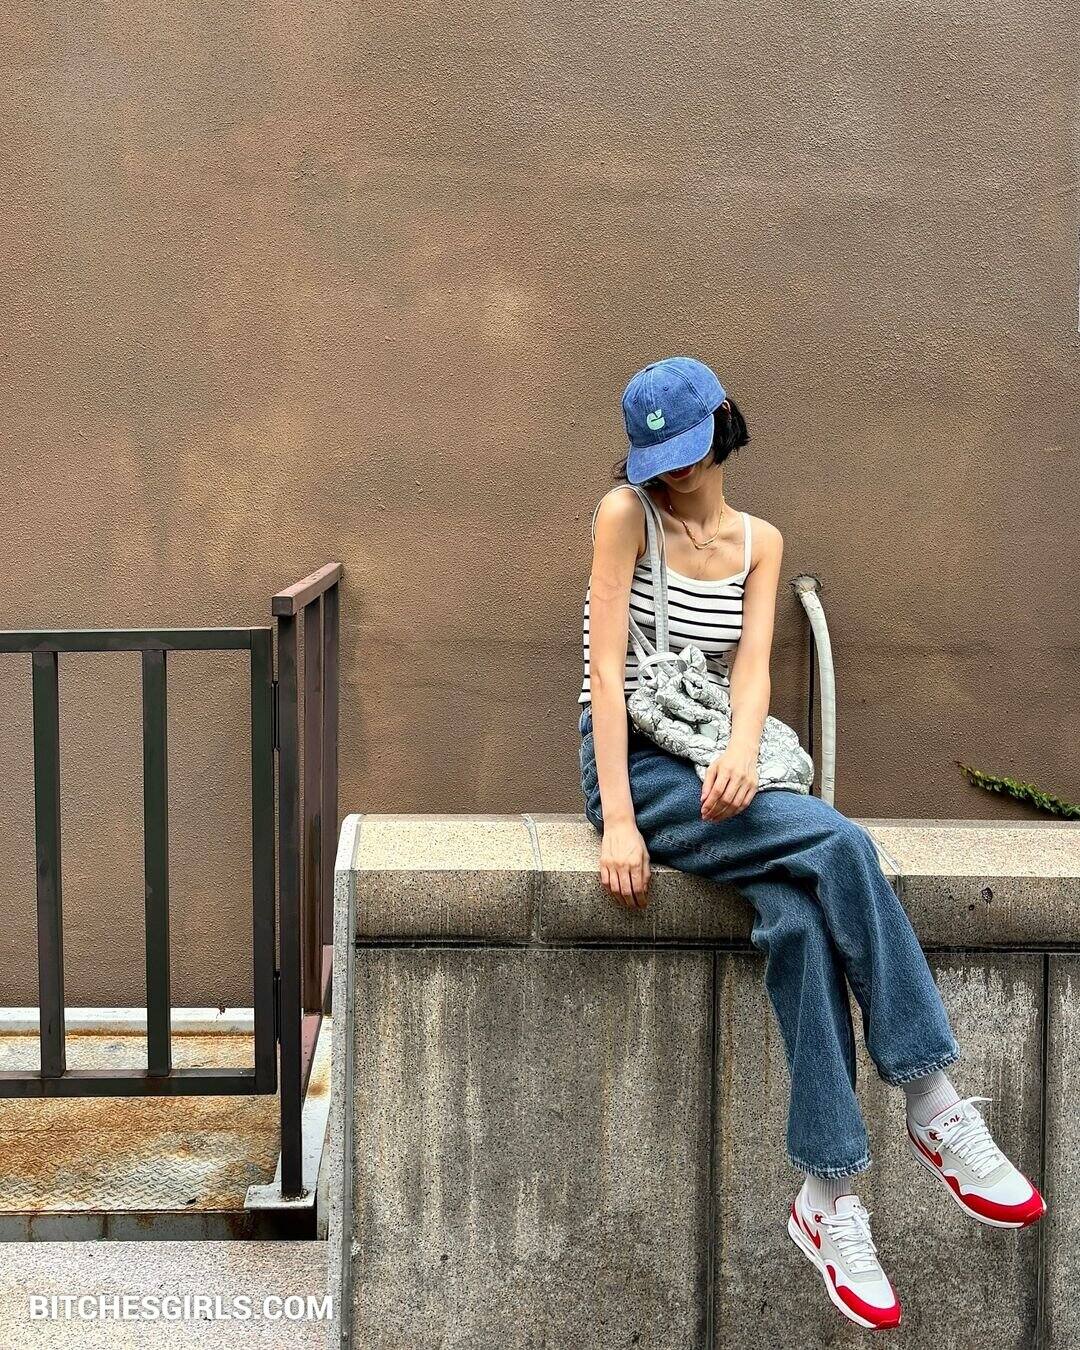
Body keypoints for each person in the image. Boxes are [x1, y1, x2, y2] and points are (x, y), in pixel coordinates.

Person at [576, 355, 1046, 1332]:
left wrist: (744, 754)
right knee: (842, 848)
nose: (675, 473)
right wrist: (619, 818)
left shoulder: (761, 541)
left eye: (688, 450)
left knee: (796, 921)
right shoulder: (625, 516)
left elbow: (750, 671)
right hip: (639, 763)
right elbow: (607, 673)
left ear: (722, 425)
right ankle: (933, 1100)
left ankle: (826, 1197)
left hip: (715, 749)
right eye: (658, 459)